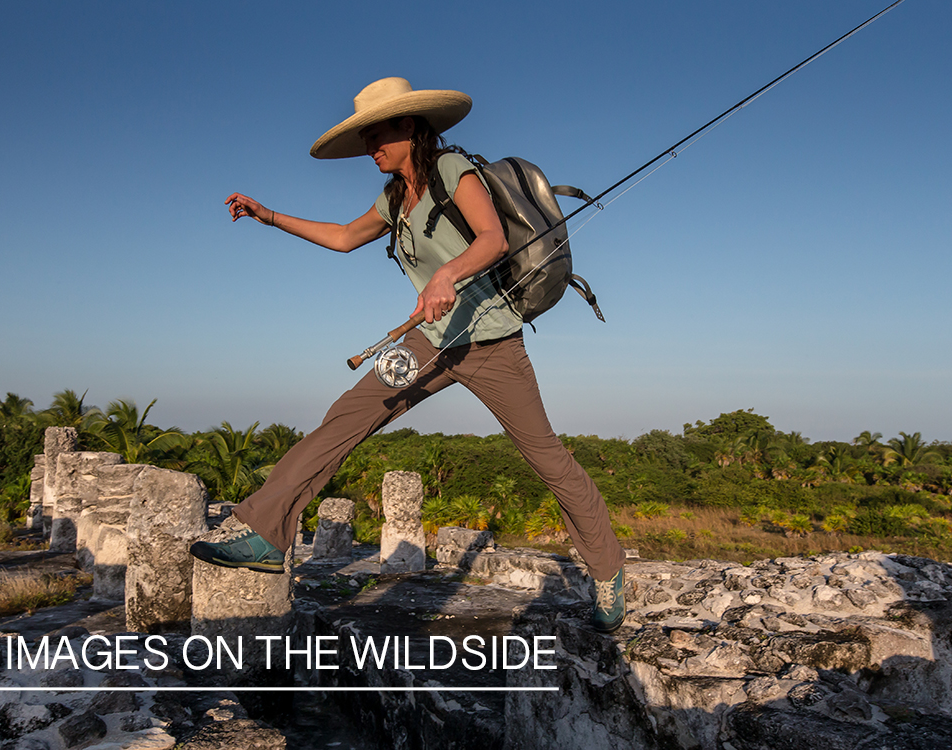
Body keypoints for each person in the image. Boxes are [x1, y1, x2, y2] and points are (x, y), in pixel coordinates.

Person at [189, 77, 626, 632]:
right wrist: (269, 216)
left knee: (546, 458)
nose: (371, 147)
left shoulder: (452, 171)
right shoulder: (394, 196)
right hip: (428, 342)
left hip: (490, 340)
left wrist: (447, 273)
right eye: (365, 138)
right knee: (346, 417)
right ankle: (265, 533)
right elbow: (346, 237)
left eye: (378, 134)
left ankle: (608, 570)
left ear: (410, 127)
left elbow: (491, 239)